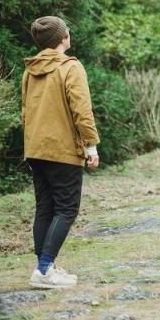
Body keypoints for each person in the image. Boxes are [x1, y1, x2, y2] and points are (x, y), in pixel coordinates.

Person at [22, 15, 100, 289]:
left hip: (35, 149)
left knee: (45, 207)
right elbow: (82, 110)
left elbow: (26, 112)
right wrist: (91, 145)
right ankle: (44, 270)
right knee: (66, 209)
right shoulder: (71, 67)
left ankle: (46, 267)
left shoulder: (30, 69)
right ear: (62, 38)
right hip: (62, 149)